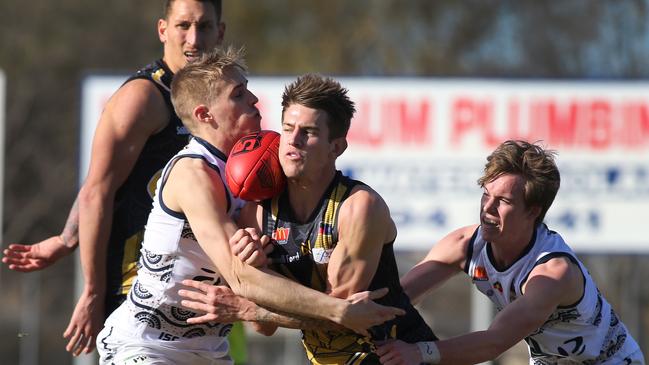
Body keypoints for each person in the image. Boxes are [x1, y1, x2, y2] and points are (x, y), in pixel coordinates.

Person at [96, 48, 404, 365]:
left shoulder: (260, 173)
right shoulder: (193, 173)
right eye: (239, 94)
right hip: (146, 346)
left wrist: (266, 260)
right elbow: (241, 277)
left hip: (209, 351)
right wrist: (338, 310)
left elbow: (262, 318)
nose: (254, 99)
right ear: (205, 115)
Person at [1, 0, 226, 356]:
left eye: (205, 26)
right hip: (137, 289)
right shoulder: (144, 98)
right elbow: (98, 189)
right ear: (163, 30)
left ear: (221, 32)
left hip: (197, 293)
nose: (194, 39)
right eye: (183, 25)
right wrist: (91, 289)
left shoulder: (223, 103)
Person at [179, 73, 438, 365]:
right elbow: (264, 327)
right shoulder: (257, 213)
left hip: (399, 356)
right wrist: (259, 269)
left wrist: (251, 304)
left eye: (309, 132)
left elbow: (338, 316)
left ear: (336, 147)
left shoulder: (358, 208)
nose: (293, 141)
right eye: (288, 128)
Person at [374, 140, 645, 364]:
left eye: (503, 201)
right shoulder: (463, 244)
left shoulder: (552, 274)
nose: (487, 208)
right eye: (486, 194)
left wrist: (419, 353)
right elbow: (398, 301)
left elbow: (493, 343)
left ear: (532, 211)